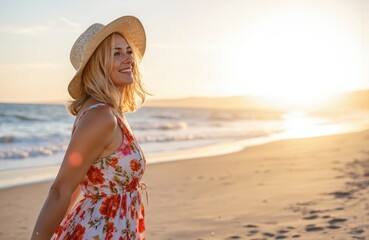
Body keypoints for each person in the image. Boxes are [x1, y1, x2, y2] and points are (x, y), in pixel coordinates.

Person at [32, 15, 149, 240]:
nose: (128, 59)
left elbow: (80, 180)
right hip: (101, 232)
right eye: (116, 53)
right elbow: (61, 190)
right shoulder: (100, 117)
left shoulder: (109, 112)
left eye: (128, 51)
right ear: (98, 65)